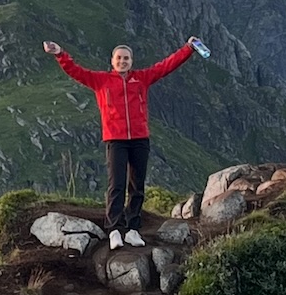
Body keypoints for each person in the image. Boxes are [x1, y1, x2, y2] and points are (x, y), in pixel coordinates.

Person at [43, 38, 200, 249]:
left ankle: (133, 229)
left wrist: (188, 48)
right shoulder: (101, 81)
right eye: (119, 58)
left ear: (131, 61)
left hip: (139, 139)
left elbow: (166, 66)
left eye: (126, 58)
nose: (122, 61)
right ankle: (115, 230)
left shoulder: (142, 78)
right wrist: (60, 53)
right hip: (115, 139)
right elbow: (75, 71)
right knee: (116, 185)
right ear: (112, 61)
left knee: (137, 185)